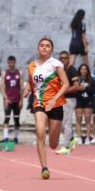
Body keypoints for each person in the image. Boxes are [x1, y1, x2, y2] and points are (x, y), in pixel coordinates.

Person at [25, 37, 71, 179]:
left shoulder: (56, 64)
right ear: (38, 48)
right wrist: (27, 88)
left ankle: (56, 142)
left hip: (56, 105)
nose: (44, 48)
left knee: (53, 144)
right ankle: (44, 167)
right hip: (39, 103)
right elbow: (31, 82)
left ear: (52, 49)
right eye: (42, 45)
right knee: (40, 132)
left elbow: (66, 84)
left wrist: (54, 99)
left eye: (47, 46)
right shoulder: (32, 66)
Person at [56, 51, 80, 155]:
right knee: (60, 124)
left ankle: (66, 146)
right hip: (60, 99)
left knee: (66, 123)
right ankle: (71, 139)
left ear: (68, 59)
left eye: (65, 58)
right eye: (61, 58)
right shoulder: (59, 70)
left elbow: (76, 86)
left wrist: (64, 91)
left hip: (69, 99)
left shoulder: (72, 70)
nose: (63, 60)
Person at [0, 56, 23, 145]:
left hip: (17, 99)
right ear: (7, 63)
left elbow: (21, 87)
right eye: (9, 62)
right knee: (7, 118)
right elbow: (1, 87)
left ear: (15, 62)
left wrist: (21, 100)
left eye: (12, 62)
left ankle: (16, 138)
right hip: (8, 100)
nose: (11, 64)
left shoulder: (19, 72)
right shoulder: (4, 73)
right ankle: (5, 138)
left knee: (16, 119)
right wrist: (5, 98)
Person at [74, 63, 95, 145]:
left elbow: (93, 90)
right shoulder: (76, 79)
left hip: (88, 101)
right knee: (78, 120)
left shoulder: (90, 79)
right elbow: (73, 89)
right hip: (79, 101)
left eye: (85, 69)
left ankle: (87, 137)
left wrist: (86, 87)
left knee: (88, 120)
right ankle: (79, 137)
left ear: (87, 70)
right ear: (79, 70)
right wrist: (78, 88)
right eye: (82, 69)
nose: (83, 70)